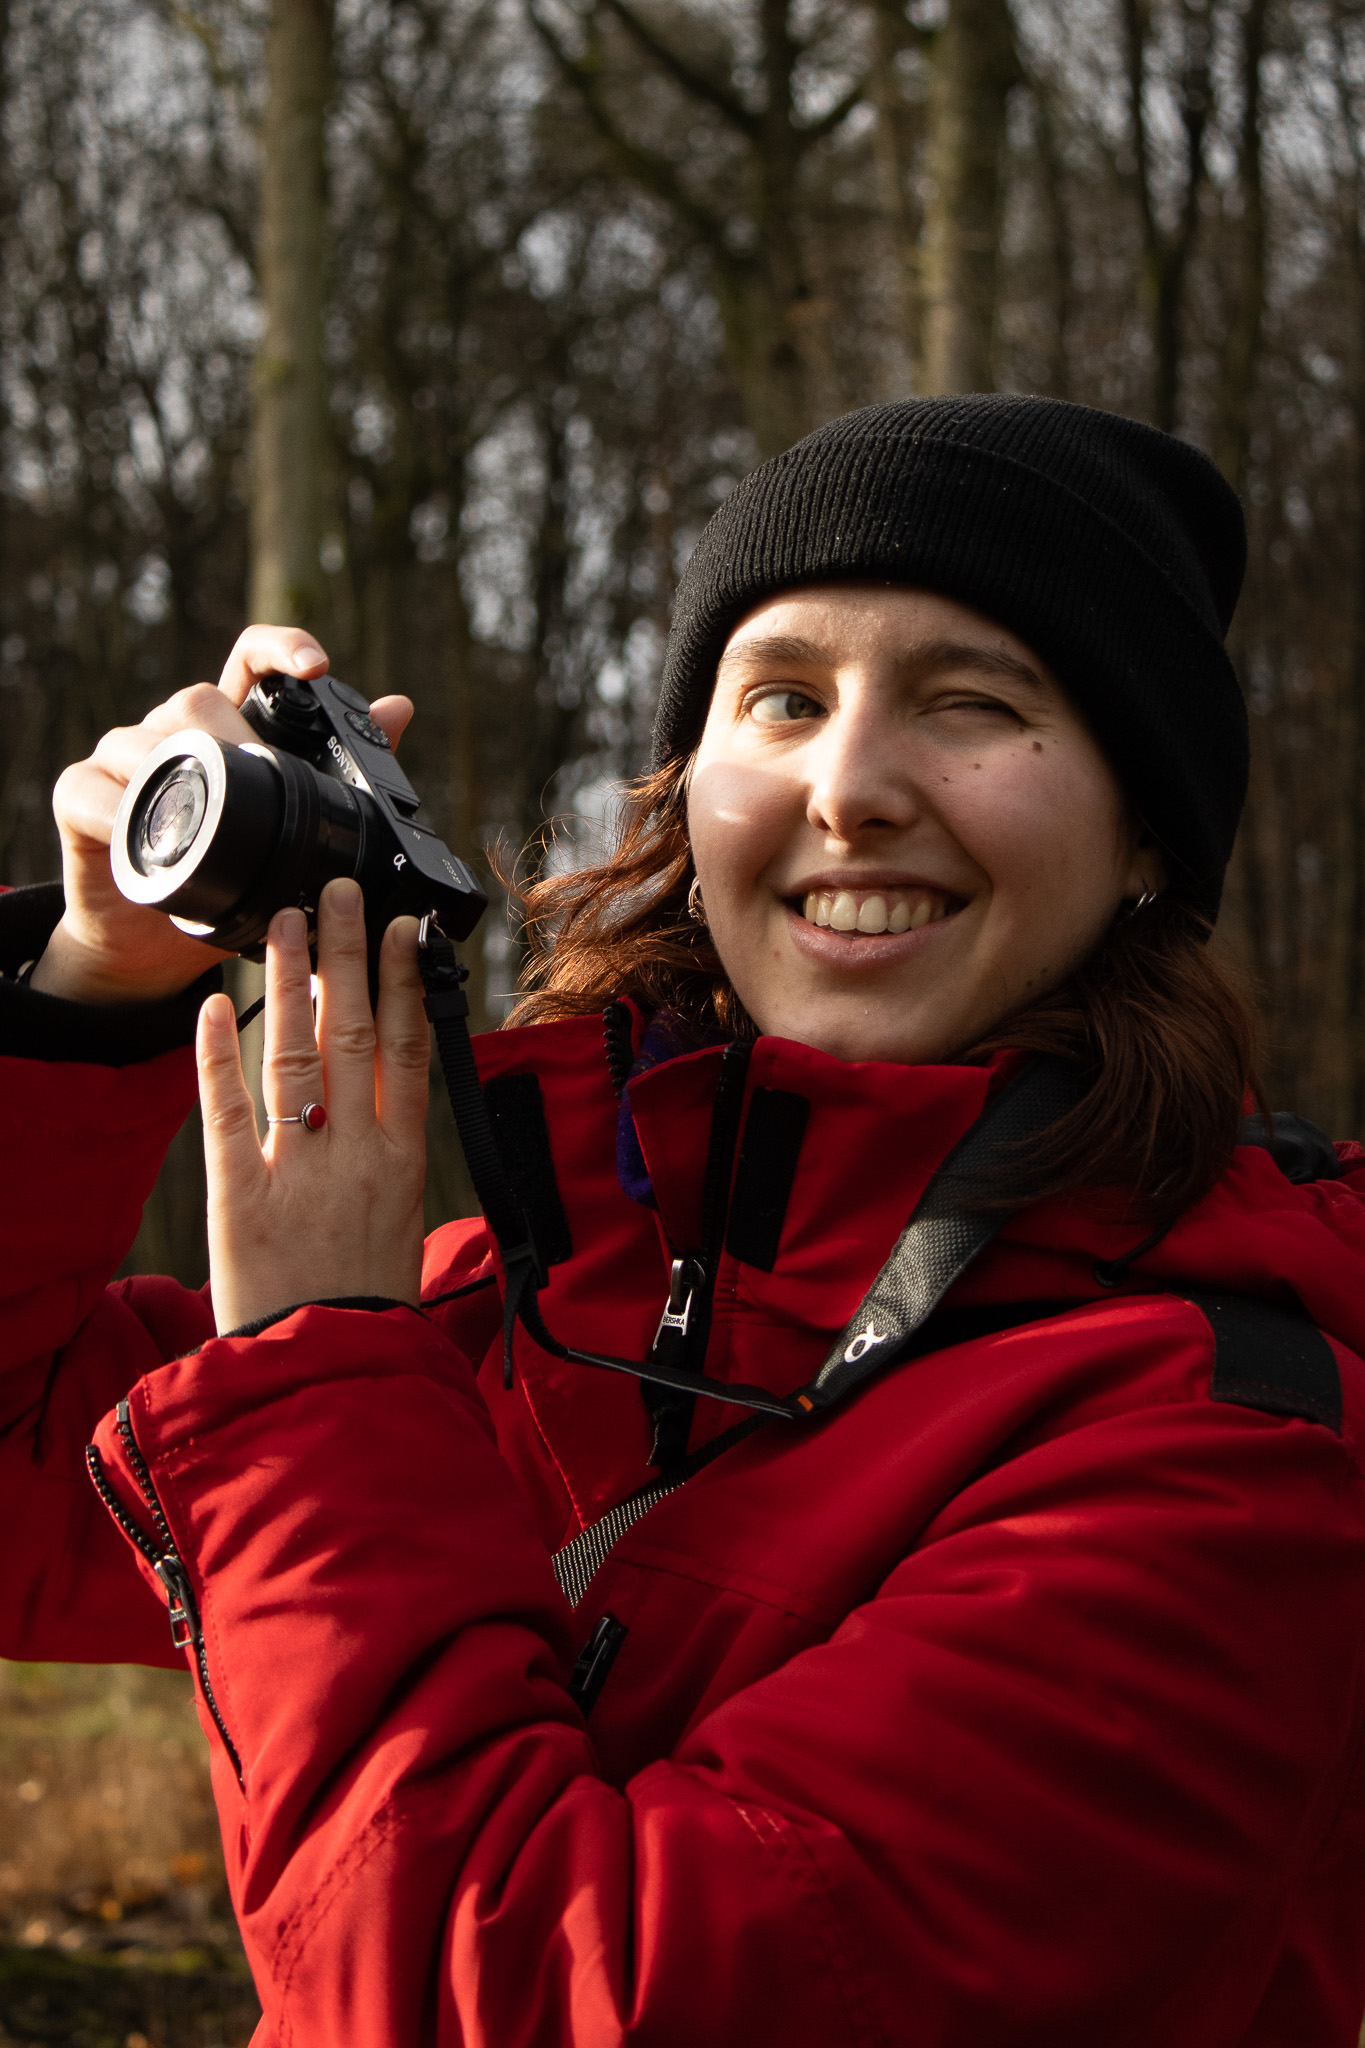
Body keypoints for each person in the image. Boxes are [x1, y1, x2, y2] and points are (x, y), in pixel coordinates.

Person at [5, 394, 1365, 2048]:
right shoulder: (545, 1304)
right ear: (687, 791)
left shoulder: (1227, 1454)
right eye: (781, 697)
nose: (847, 789)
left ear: (1145, 825)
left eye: (972, 704)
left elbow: (525, 2006)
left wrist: (315, 1368)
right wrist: (94, 983)